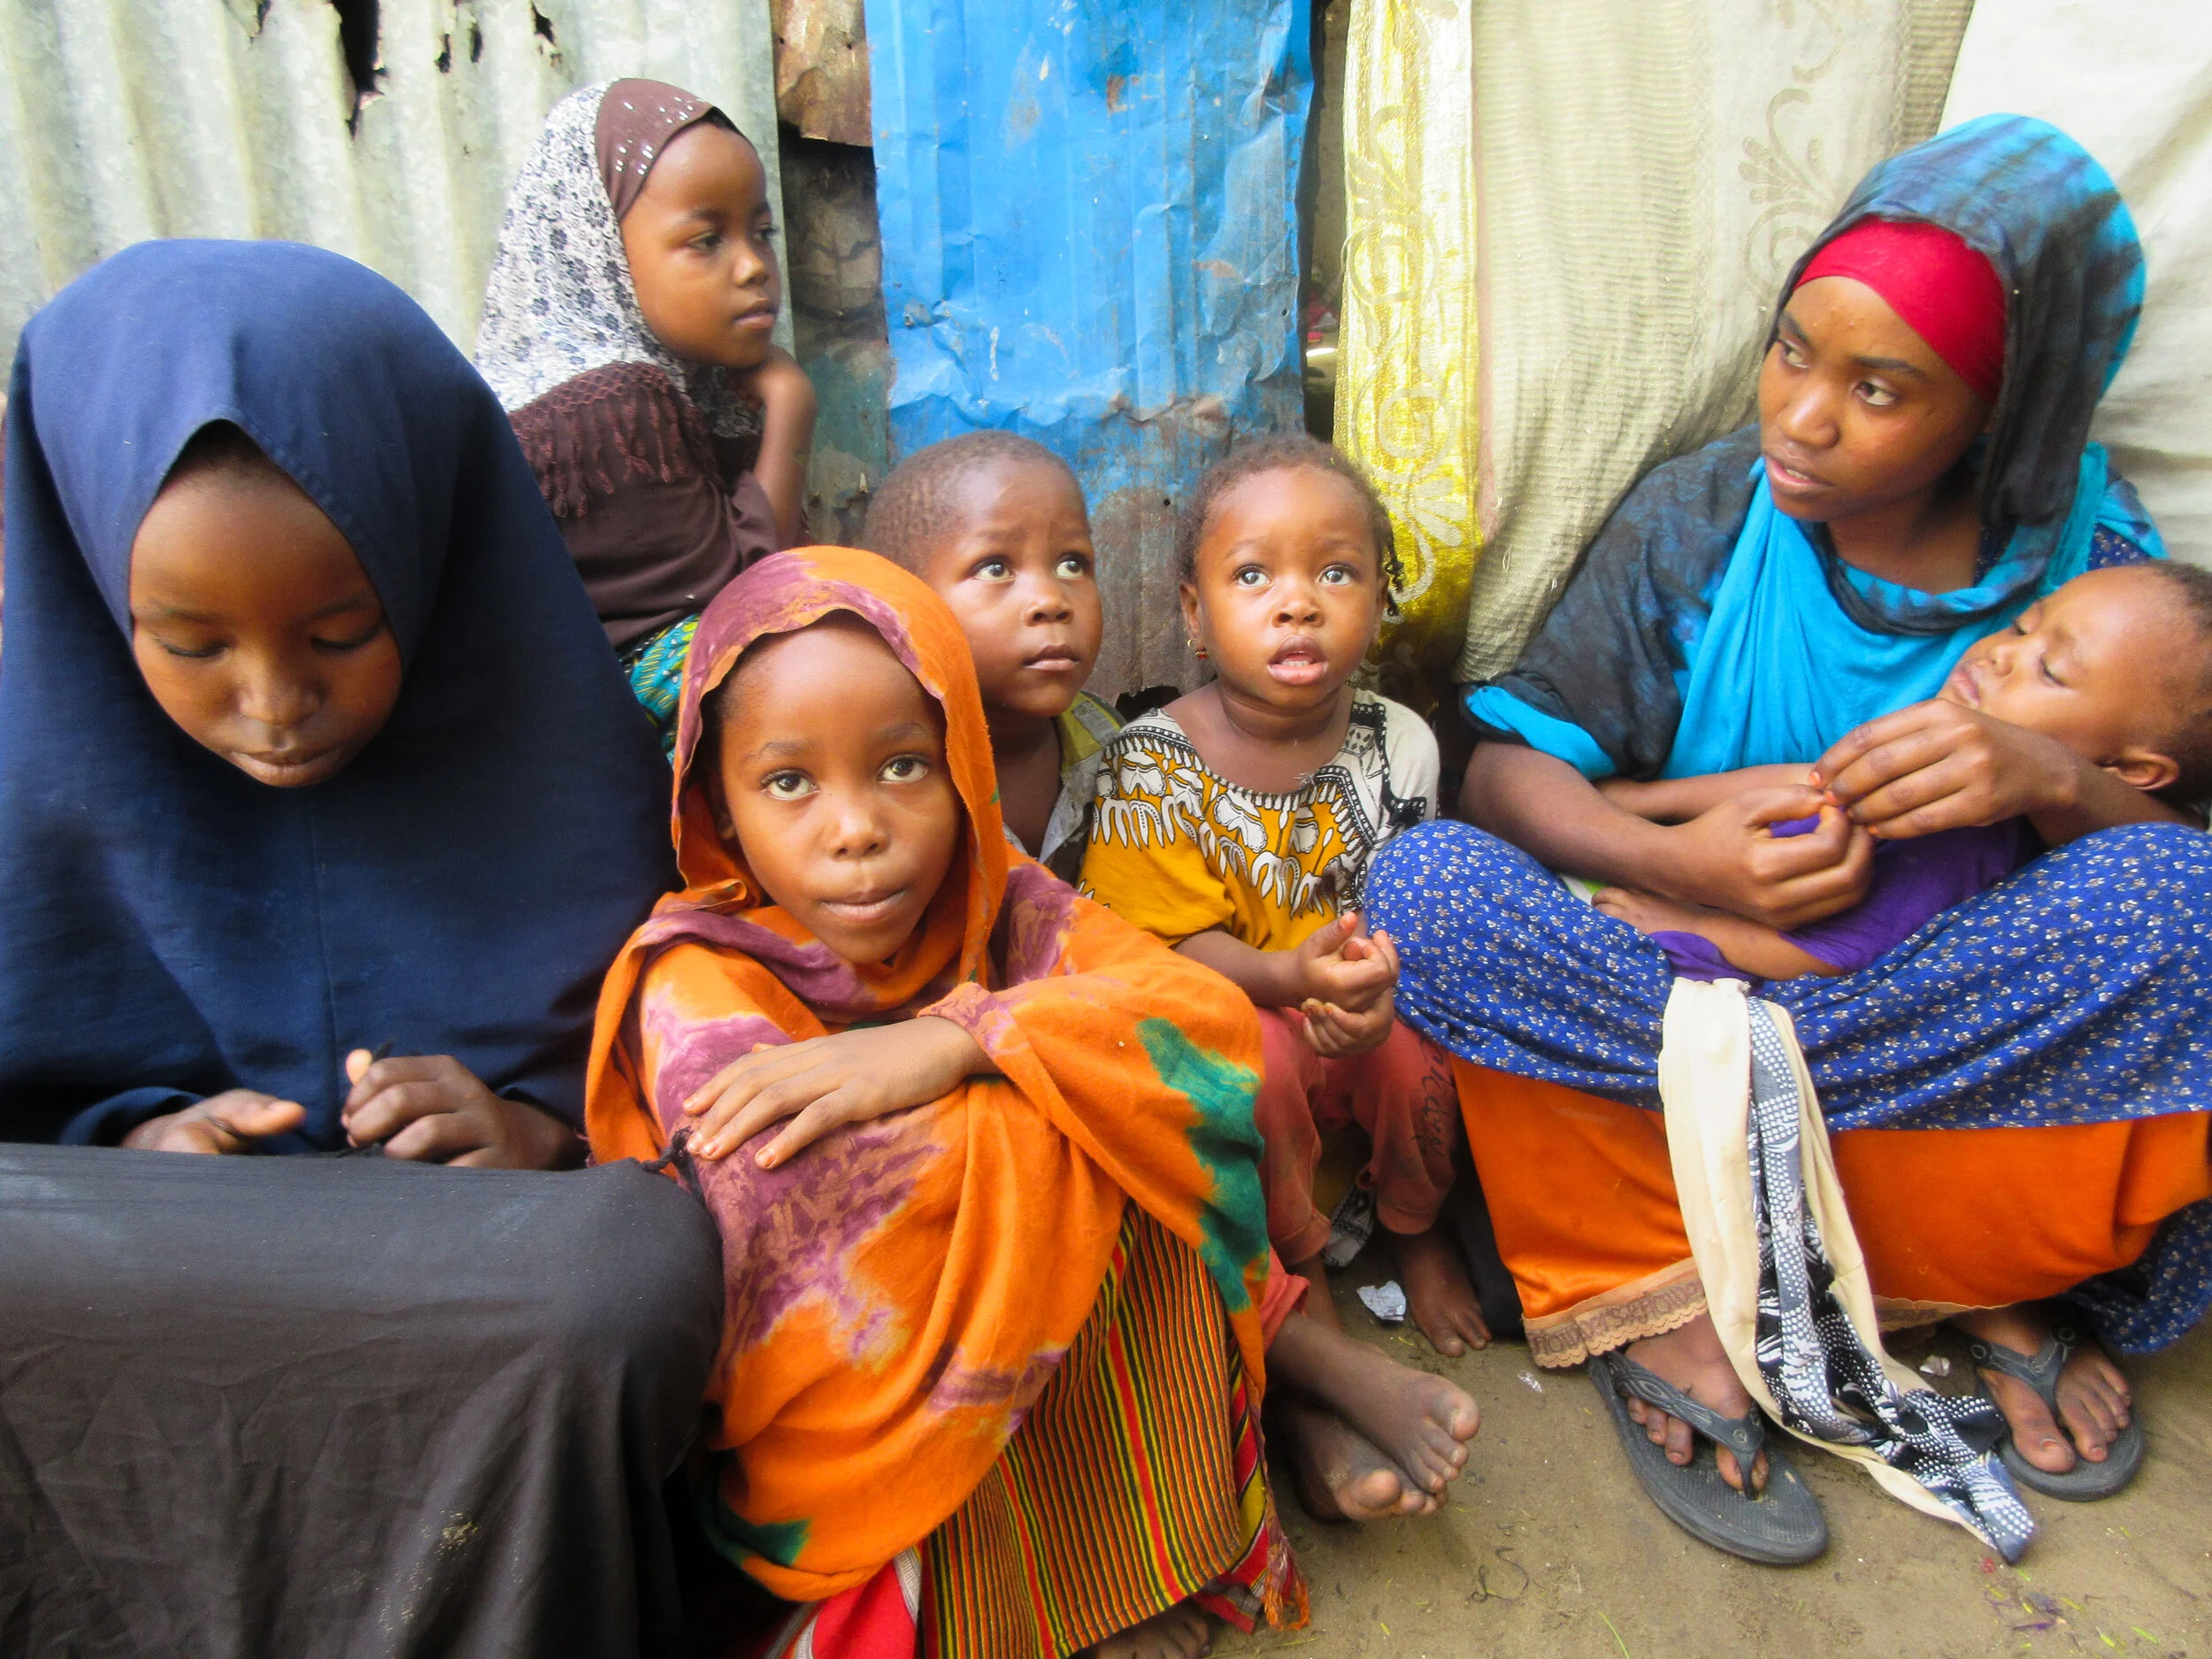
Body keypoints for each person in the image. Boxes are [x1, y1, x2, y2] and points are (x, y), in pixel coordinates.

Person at [1366, 116, 2212, 1562]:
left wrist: (2049, 780)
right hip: (1685, 1005)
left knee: (2182, 901)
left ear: (1998, 410)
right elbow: (1503, 775)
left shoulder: (2106, 576)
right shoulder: (1708, 519)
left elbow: (2167, 868)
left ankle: (1723, 1254)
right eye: (1793, 351)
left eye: (1879, 388)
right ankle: (1872, 1268)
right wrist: (1670, 862)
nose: (1803, 417)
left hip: (1928, 1042)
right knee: (1431, 886)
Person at [0, 239, 718, 1653]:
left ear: (434, 551)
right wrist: (129, 1143)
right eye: (190, 643)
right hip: (147, 1306)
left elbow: (688, 1069)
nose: (275, 701)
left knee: (628, 1277)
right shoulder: (40, 783)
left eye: (340, 631)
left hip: (465, 1297)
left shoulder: (562, 764)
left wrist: (542, 1131)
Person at [584, 549, 1477, 1657]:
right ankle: (1094, 1552)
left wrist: (959, 1041)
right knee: (1100, 1126)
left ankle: (1135, 1557)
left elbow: (1197, 1016)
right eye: (788, 783)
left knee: (1136, 1099)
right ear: (716, 802)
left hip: (1052, 1341)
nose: (855, 828)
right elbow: (796, 1224)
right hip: (875, 1434)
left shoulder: (1000, 901)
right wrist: (1059, 1071)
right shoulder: (690, 983)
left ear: (964, 767)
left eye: (903, 767)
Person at [1079, 435, 1490, 1361]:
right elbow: (1160, 948)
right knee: (1254, 1057)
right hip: (1240, 1008)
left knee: (1417, 1048)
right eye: (1253, 575)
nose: (1297, 602)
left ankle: (1415, 1226)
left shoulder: (1402, 743)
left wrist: (1372, 987)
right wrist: (1286, 978)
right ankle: (1297, 1266)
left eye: (1336, 573)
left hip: (1356, 1009)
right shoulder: (1149, 764)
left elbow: (1406, 907)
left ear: (1379, 602)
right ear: (1196, 609)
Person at [1594, 563, 2212, 981]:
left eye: (2050, 670)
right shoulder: (1942, 743)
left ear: (2129, 770)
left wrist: (1693, 926)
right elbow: (1812, 778)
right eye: (2023, 626)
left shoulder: (1972, 838)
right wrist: (1648, 801)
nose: (2001, 653)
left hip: (1739, 959)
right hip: (1700, 881)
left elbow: (1836, 956)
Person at [476, 77, 816, 748]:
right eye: (707, 240)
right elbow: (747, 599)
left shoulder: (669, 378)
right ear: (602, 249)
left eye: (761, 232)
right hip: (603, 756)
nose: (754, 267)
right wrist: (792, 409)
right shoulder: (609, 405)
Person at [863, 431, 1120, 881]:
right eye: (996, 568)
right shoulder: (886, 775)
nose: (1051, 600)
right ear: (902, 601)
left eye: (1072, 564)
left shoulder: (1115, 744)